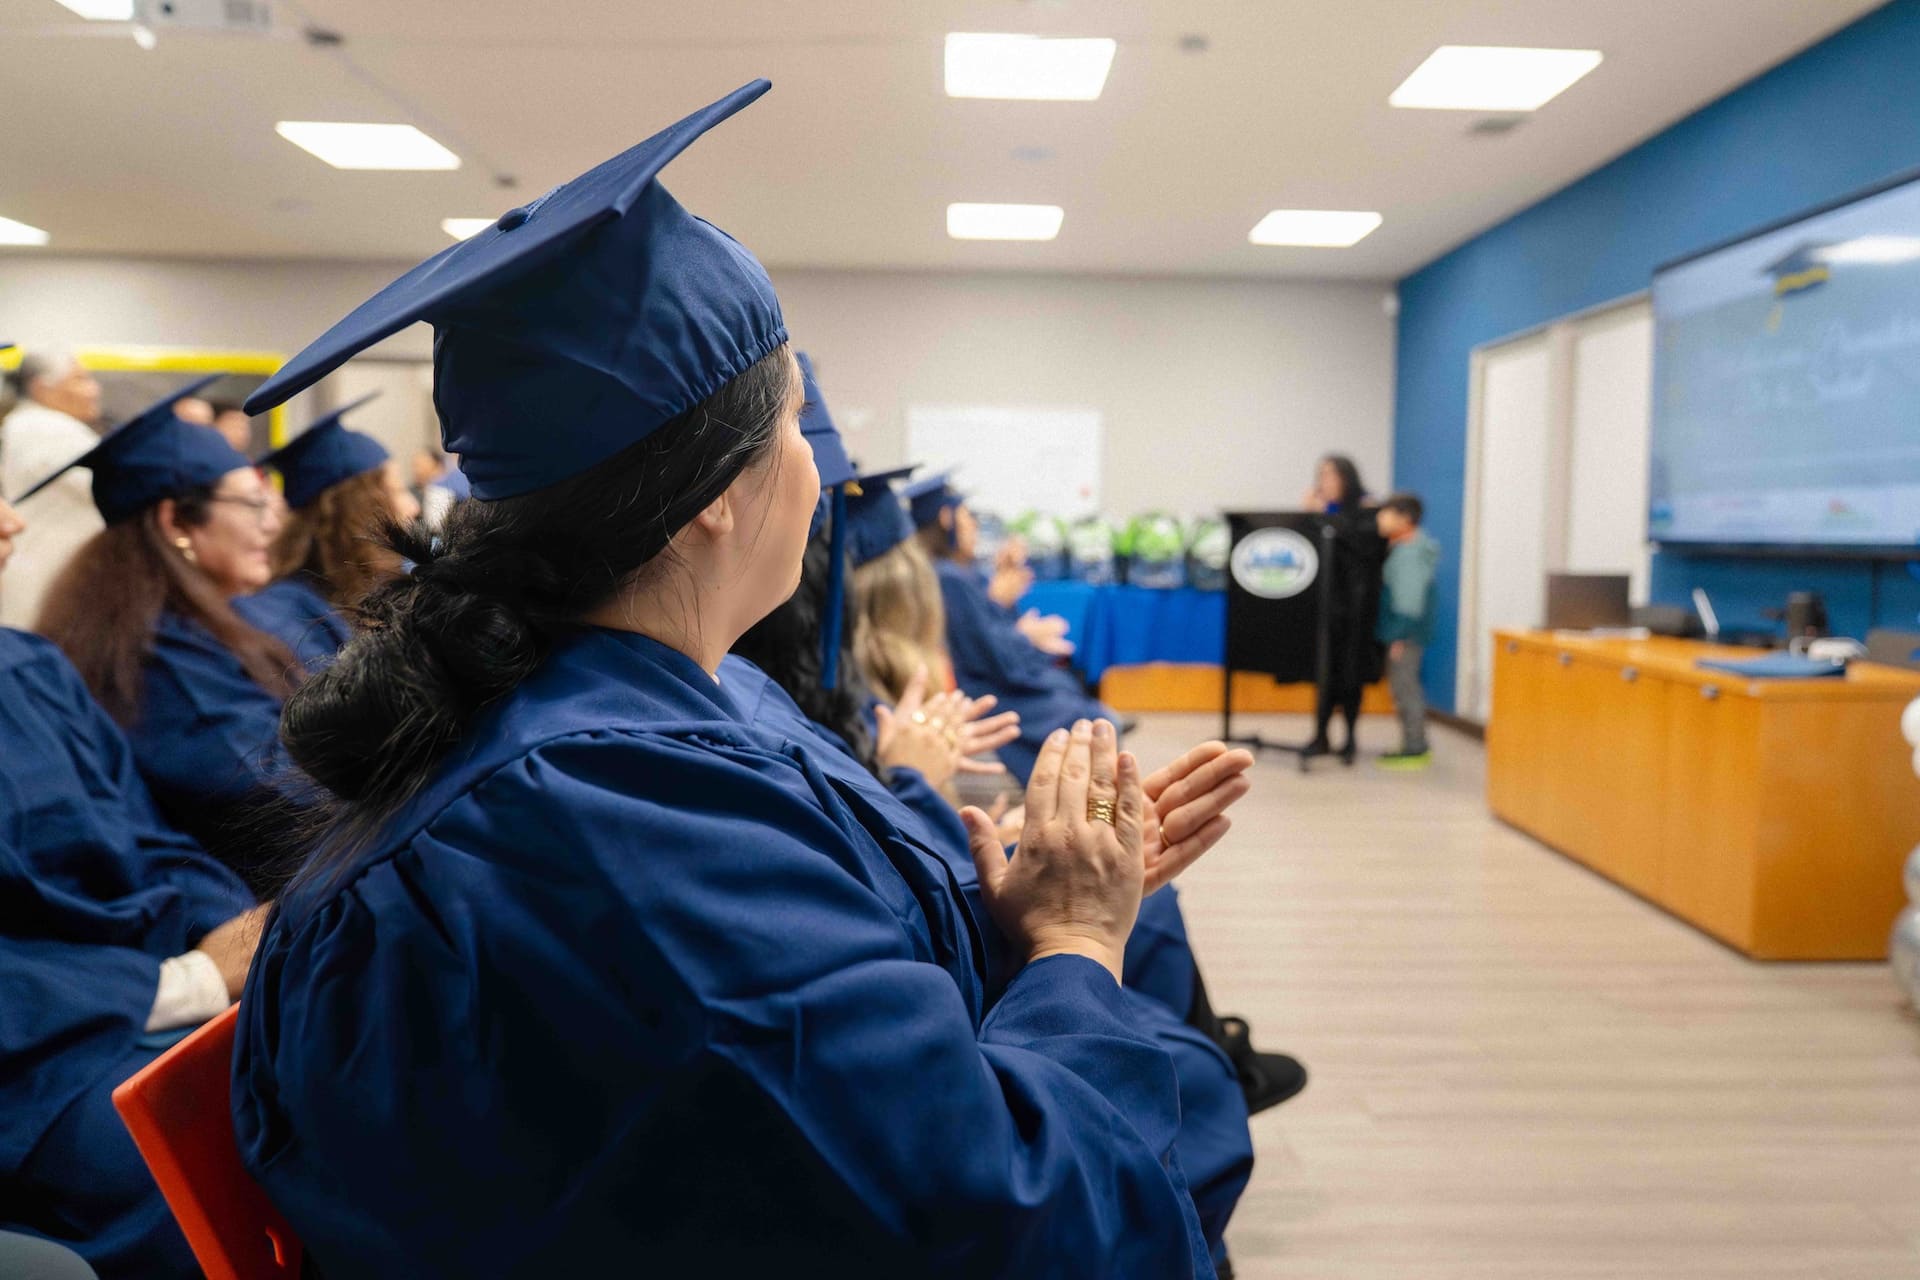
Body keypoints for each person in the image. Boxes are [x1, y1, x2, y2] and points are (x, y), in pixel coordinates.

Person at [231, 81, 1230, 1277]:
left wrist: (1002, 920)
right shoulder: (612, 823)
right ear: (714, 497)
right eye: (800, 426)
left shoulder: (664, 711)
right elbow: (1015, 1220)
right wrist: (1077, 944)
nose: (820, 478)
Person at [0, 491, 264, 1280]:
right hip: (40, 1061)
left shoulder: (27, 666)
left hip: (138, 1006)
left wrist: (249, 931)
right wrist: (189, 979)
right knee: (207, 1155)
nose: (11, 520)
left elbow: (146, 837)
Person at [30, 377, 304, 888]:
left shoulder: (188, 625)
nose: (273, 524)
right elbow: (285, 801)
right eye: (251, 504)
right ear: (176, 520)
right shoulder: (160, 658)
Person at [909, 472, 1117, 785]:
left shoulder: (956, 572)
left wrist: (1006, 597)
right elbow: (990, 653)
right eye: (967, 517)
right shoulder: (948, 577)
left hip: (992, 677)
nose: (974, 526)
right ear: (945, 518)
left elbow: (989, 629)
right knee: (1088, 715)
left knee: (1072, 694)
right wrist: (1024, 634)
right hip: (985, 688)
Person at [240, 394, 418, 668]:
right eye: (396, 491)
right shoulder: (285, 619)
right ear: (357, 513)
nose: (412, 506)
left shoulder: (369, 590)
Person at [0, 349, 104, 629]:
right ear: (41, 387)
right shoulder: (46, 426)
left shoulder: (26, 423)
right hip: (48, 578)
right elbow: (109, 483)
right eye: (80, 379)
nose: (94, 389)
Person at [1298, 453, 1384, 763]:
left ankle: (1349, 739)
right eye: (1321, 476)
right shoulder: (1322, 512)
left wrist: (1323, 515)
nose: (1326, 482)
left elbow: (1364, 546)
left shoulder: (1367, 508)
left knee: (1351, 675)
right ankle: (1320, 735)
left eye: (1332, 475)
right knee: (1324, 673)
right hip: (1324, 609)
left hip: (1357, 610)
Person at [1375, 493, 1439, 768]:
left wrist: (1398, 636)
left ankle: (1415, 748)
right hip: (1407, 632)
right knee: (1405, 687)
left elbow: (1409, 602)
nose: (1381, 518)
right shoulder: (1404, 548)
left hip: (1405, 633)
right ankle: (1413, 743)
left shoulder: (1409, 553)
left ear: (1405, 519)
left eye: (1386, 512)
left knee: (1405, 688)